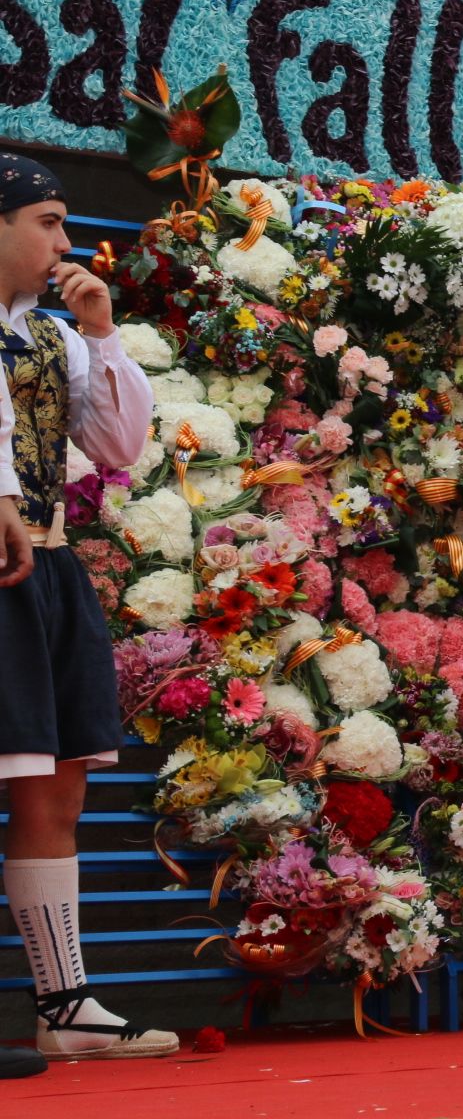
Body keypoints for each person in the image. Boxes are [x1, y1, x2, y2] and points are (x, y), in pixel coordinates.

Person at [0, 152, 172, 1060]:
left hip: (48, 562)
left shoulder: (50, 336)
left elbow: (116, 443)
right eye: (47, 222)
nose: (65, 242)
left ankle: (63, 1006)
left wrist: (102, 334)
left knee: (56, 783)